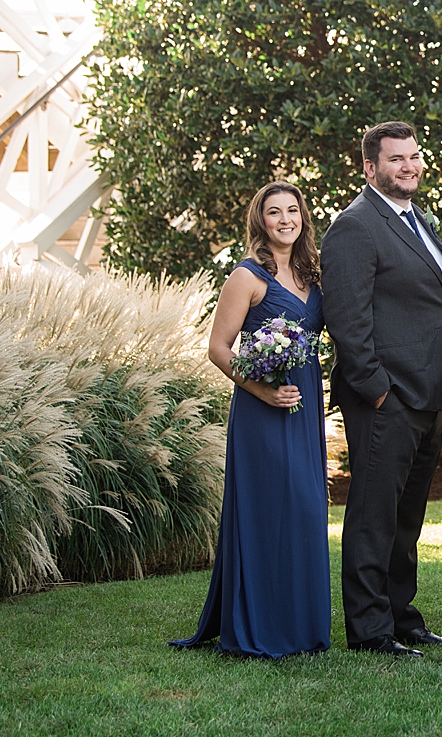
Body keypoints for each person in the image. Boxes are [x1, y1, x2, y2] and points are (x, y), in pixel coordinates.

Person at [172, 181, 330, 658]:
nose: (285, 220)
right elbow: (218, 348)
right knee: (268, 511)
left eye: (293, 211)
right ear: (260, 221)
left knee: (305, 511)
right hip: (263, 410)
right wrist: (262, 390)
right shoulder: (247, 276)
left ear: (303, 217)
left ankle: (302, 628)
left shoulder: (312, 273)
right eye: (274, 213)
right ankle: (261, 625)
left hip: (305, 406)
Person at [322, 121, 442, 658]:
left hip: (430, 395)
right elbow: (347, 318)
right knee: (374, 518)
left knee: (408, 520)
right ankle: (370, 630)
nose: (409, 166)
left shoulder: (415, 218)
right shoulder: (355, 226)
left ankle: (403, 617)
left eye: (414, 157)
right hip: (388, 399)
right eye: (396, 159)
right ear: (370, 168)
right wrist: (379, 390)